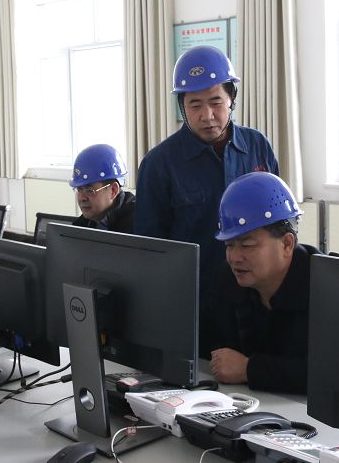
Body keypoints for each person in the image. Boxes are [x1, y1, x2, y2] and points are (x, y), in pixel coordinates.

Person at [134, 45, 280, 349]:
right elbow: (149, 251)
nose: (207, 115)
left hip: (260, 302)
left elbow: (280, 224)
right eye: (195, 105)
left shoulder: (258, 147)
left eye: (216, 102)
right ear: (182, 107)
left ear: (231, 99)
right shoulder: (159, 164)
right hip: (197, 308)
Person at [207, 172, 319, 393]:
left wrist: (250, 369)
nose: (234, 257)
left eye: (247, 245)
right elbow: (212, 350)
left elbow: (332, 373)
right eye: (229, 245)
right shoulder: (227, 279)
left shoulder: (323, 287)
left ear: (287, 244)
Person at [69, 144, 136, 234]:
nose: (82, 198)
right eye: (79, 189)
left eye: (89, 190)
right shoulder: (85, 223)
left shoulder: (137, 226)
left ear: (113, 191)